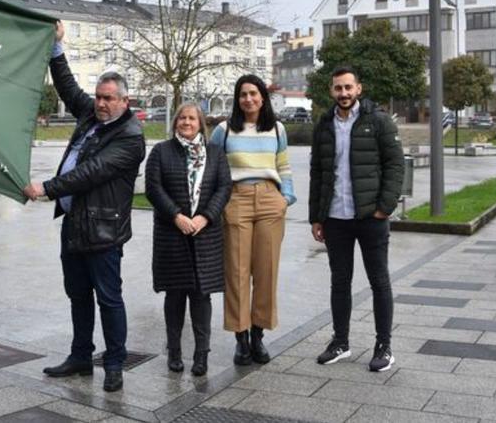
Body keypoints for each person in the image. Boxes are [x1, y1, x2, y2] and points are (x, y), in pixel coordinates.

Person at [22, 21, 146, 393]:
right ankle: (80, 356)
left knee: (108, 298)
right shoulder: (91, 115)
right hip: (75, 224)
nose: (101, 102)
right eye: (99, 96)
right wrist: (57, 47)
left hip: (104, 231)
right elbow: (67, 86)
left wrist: (46, 187)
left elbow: (90, 173)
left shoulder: (130, 138)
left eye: (109, 98)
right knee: (77, 294)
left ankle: (113, 363)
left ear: (125, 102)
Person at [309, 66, 403, 372]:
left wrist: (385, 207)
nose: (344, 93)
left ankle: (384, 346)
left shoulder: (378, 121)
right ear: (331, 91)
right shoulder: (324, 125)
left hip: (370, 217)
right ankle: (341, 342)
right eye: (338, 88)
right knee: (340, 282)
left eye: (348, 87)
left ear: (358, 89)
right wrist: (316, 217)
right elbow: (318, 173)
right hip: (336, 217)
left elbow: (395, 164)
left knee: (379, 281)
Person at [209, 74, 296, 365]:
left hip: (271, 200)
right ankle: (241, 338)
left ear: (262, 97)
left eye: (254, 94)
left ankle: (258, 335)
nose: (248, 99)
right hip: (237, 200)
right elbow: (213, 169)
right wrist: (219, 204)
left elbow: (283, 165)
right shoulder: (223, 130)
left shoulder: (277, 129)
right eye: (243, 94)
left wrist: (286, 198)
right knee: (236, 272)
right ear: (237, 99)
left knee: (266, 271)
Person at [144, 103, 232, 376]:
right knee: (175, 294)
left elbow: (224, 187)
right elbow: (153, 188)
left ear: (200, 122)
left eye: (192, 118)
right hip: (172, 234)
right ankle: (174, 351)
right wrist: (177, 216)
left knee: (201, 295)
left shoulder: (216, 153)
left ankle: (202, 354)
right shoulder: (161, 152)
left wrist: (205, 217)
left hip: (205, 234)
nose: (186, 122)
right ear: (175, 122)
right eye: (182, 117)